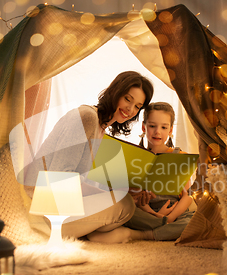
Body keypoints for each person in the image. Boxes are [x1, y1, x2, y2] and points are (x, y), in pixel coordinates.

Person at [23, 71, 154, 243]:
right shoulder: (87, 117)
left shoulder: (100, 129)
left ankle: (157, 225)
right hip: (43, 209)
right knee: (125, 204)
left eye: (137, 106)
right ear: (114, 92)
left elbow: (79, 178)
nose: (130, 109)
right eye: (128, 99)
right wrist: (110, 193)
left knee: (126, 200)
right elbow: (61, 176)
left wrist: (123, 189)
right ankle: (149, 231)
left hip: (57, 203)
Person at [124, 102, 195, 241]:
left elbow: (188, 195)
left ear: (170, 130)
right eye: (152, 126)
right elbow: (134, 195)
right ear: (144, 127)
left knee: (193, 220)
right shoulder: (135, 156)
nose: (158, 132)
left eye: (164, 127)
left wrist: (170, 218)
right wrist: (152, 213)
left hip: (174, 212)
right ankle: (161, 228)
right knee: (125, 211)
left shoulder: (179, 156)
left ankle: (146, 234)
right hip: (146, 212)